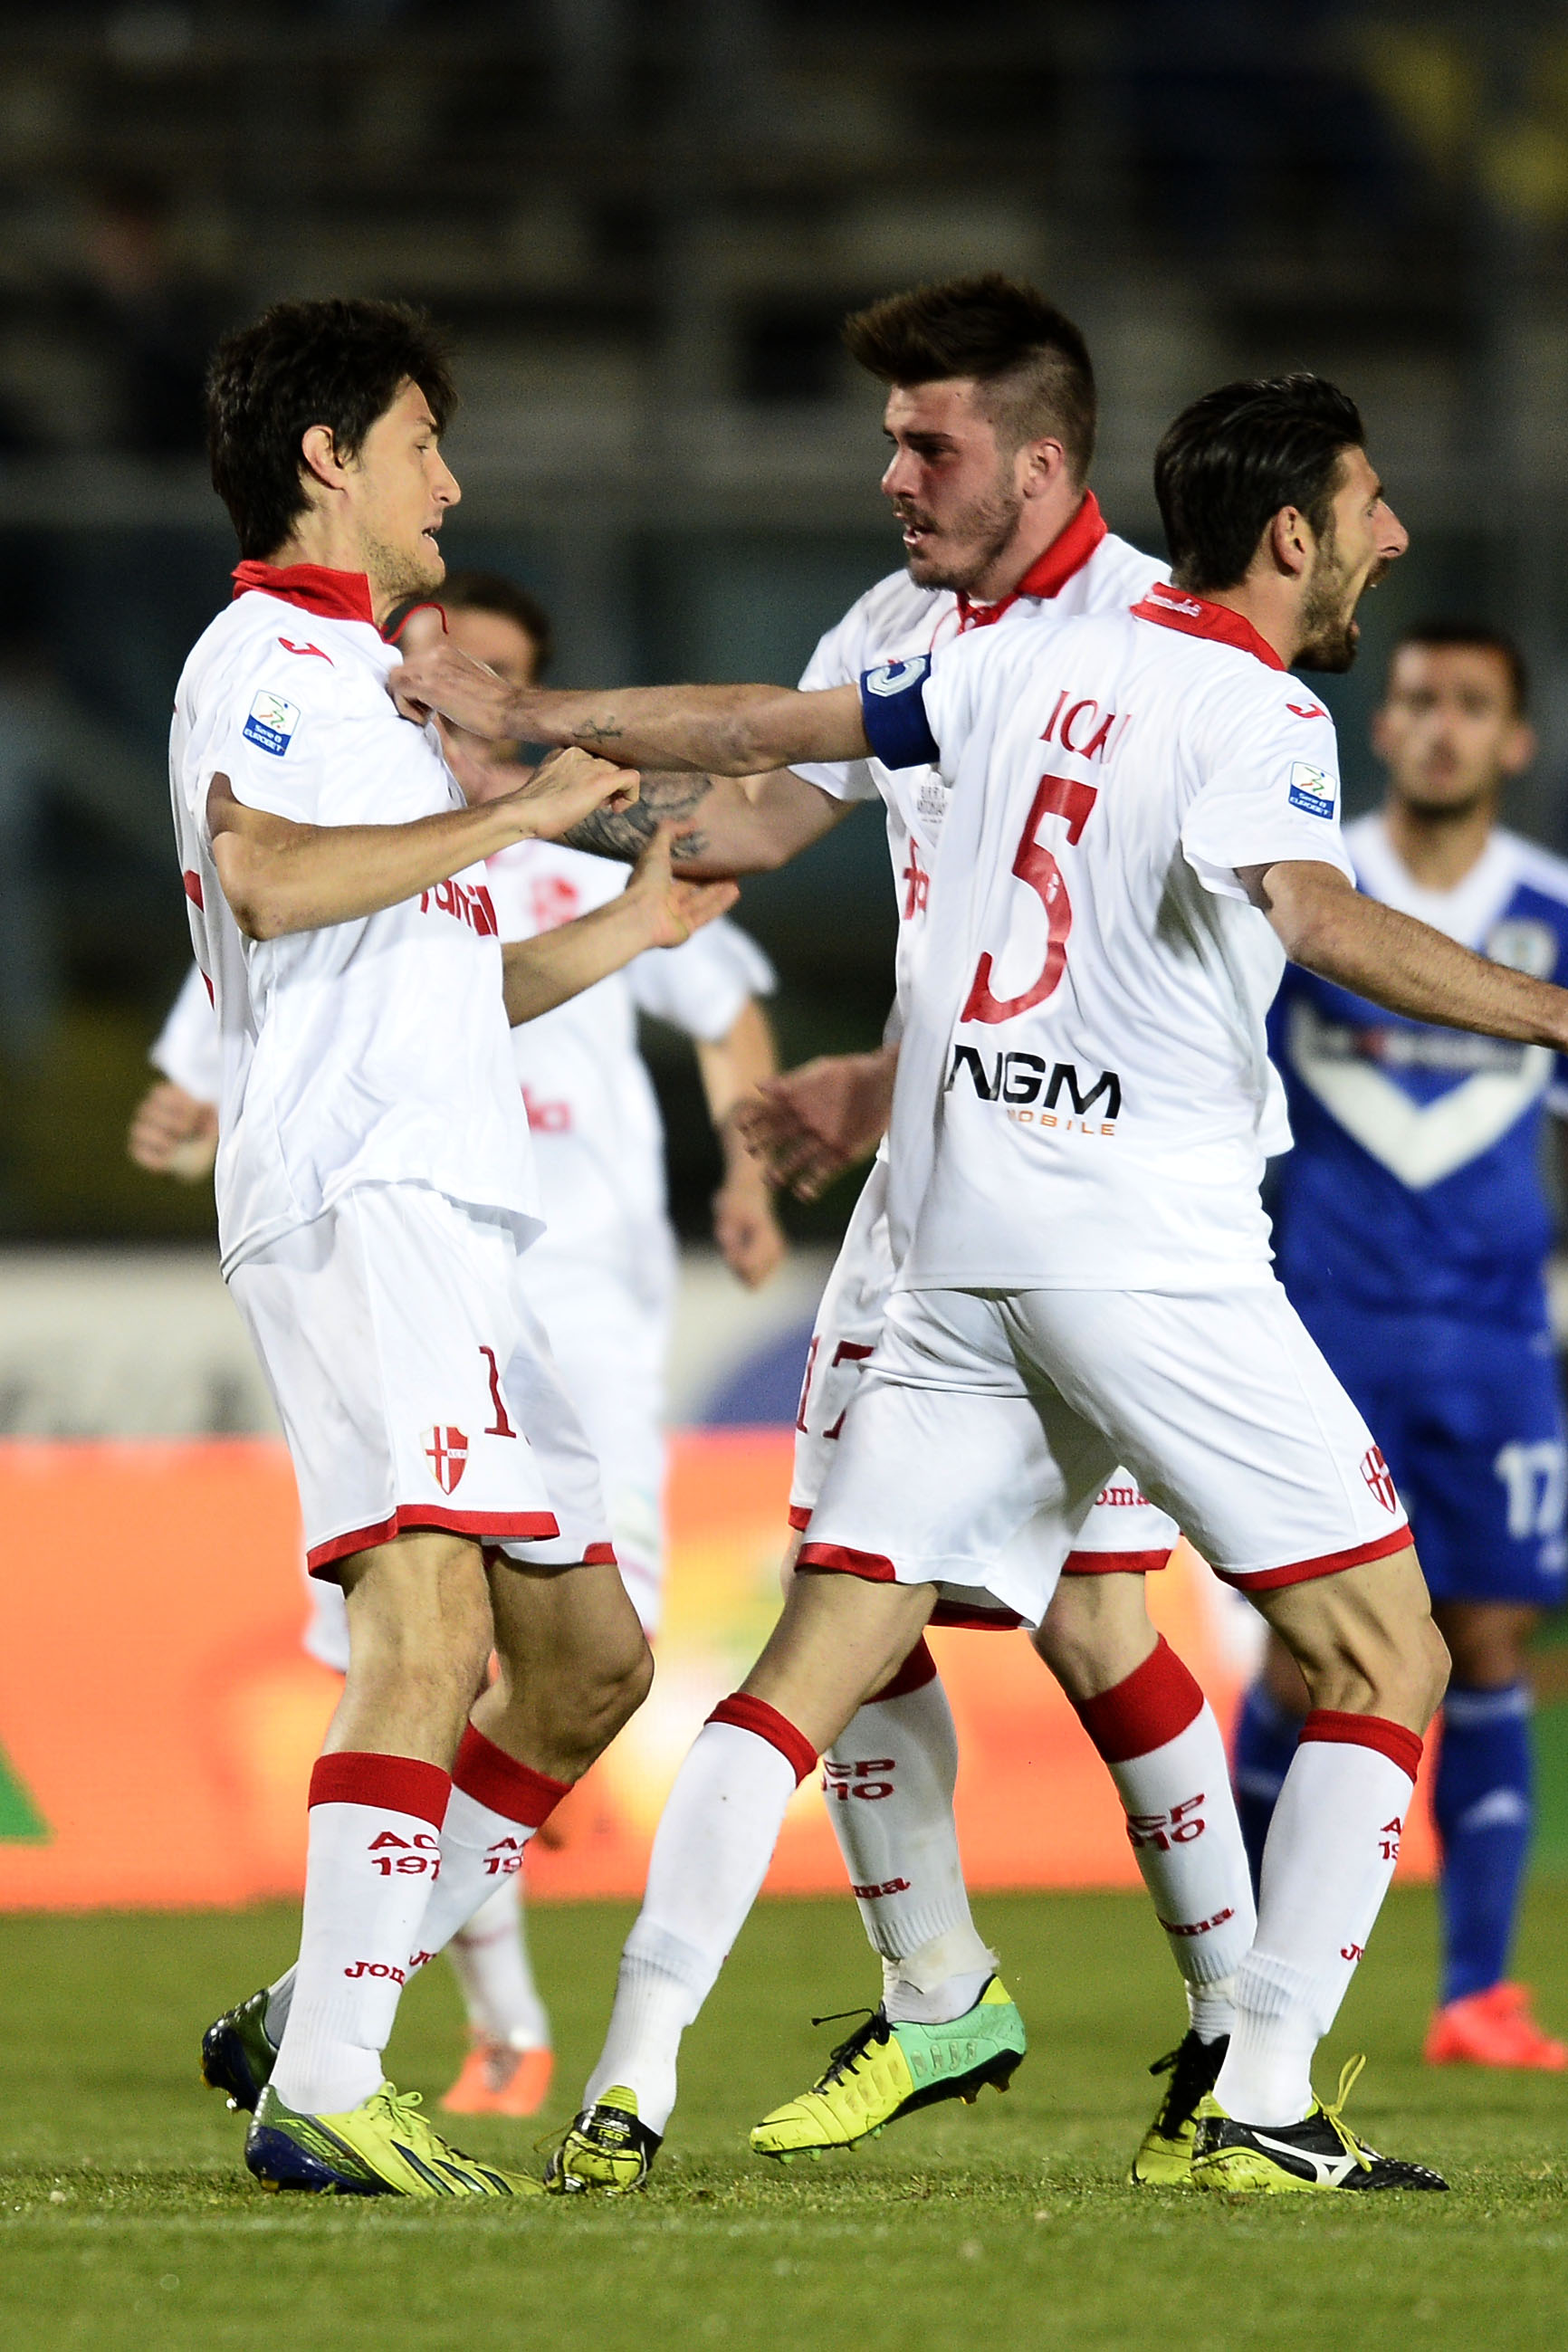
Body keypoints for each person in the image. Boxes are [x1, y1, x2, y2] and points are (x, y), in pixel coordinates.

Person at [394, 369, 1544, 2198]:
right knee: (1382, 1652)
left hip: (951, 1253)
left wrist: (525, 712)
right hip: (1144, 1256)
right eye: (1371, 504)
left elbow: (756, 727)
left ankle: (630, 2074)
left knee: (813, 1664)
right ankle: (1253, 2092)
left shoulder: (1005, 658)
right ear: (1291, 535)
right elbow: (1319, 925)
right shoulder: (1257, 703)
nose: (1391, 535)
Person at [177, 295, 735, 2199]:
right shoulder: (268, 653)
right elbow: (258, 873)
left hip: (451, 1204)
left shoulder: (365, 682)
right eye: (425, 440)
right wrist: (534, 802)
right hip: (361, 1197)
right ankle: (332, 2080)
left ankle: (322, 1999)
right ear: (330, 459)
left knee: (582, 1668)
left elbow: (421, 983)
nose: (454, 480)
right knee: (423, 1634)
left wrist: (624, 932)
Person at [1232, 620, 1568, 2071]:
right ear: (1383, 726)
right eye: (1418, 698)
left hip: (1497, 1333)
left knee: (1488, 1635)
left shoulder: (1552, 912)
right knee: (1312, 1657)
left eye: (1470, 706)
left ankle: (1476, 1994)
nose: (1438, 725)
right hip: (1325, 1327)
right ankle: (1240, 1972)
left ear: (1515, 741)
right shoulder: (1313, 889)